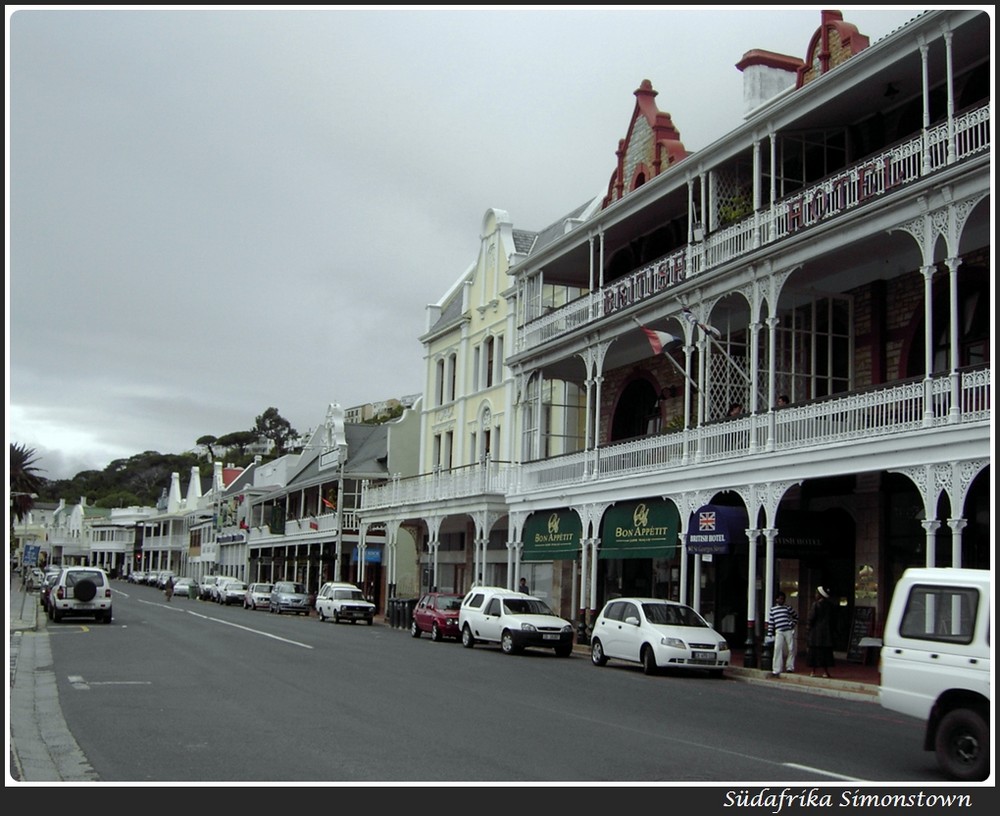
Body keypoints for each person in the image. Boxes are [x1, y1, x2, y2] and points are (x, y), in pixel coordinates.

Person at [767, 591, 798, 677]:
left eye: (782, 599)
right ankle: (776, 669)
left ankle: (790, 667)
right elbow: (771, 622)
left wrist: (792, 624)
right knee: (777, 649)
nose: (781, 600)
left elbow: (795, 616)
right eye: (779, 598)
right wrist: (770, 633)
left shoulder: (788, 608)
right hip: (779, 631)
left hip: (788, 630)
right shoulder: (773, 610)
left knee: (791, 648)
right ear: (776, 599)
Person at [806, 586, 834, 677]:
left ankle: (813, 671)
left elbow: (811, 617)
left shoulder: (816, 605)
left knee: (814, 652)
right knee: (825, 653)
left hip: (816, 632)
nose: (815, 595)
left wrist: (808, 628)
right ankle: (825, 672)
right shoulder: (829, 605)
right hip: (826, 633)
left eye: (817, 593)